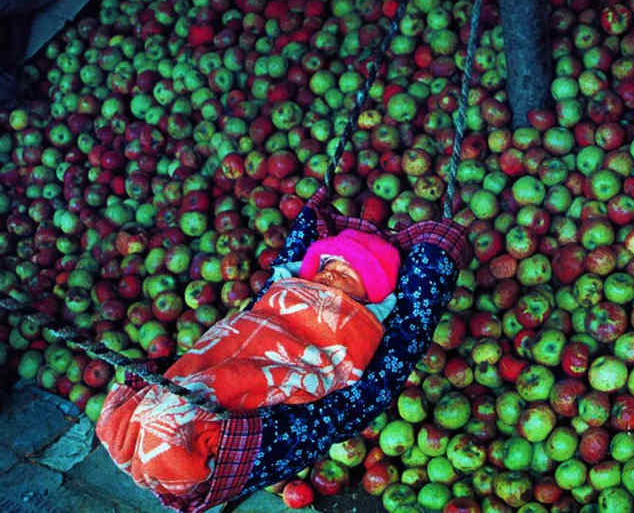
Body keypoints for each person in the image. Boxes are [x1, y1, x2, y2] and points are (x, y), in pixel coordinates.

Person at [95, 187, 469, 512]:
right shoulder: (289, 284)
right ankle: (144, 425)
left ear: (368, 300)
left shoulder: (363, 321)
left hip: (301, 353)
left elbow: (339, 356)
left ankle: (169, 444)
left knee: (212, 396)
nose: (331, 275)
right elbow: (259, 316)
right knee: (201, 369)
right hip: (252, 336)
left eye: (346, 276)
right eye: (327, 268)